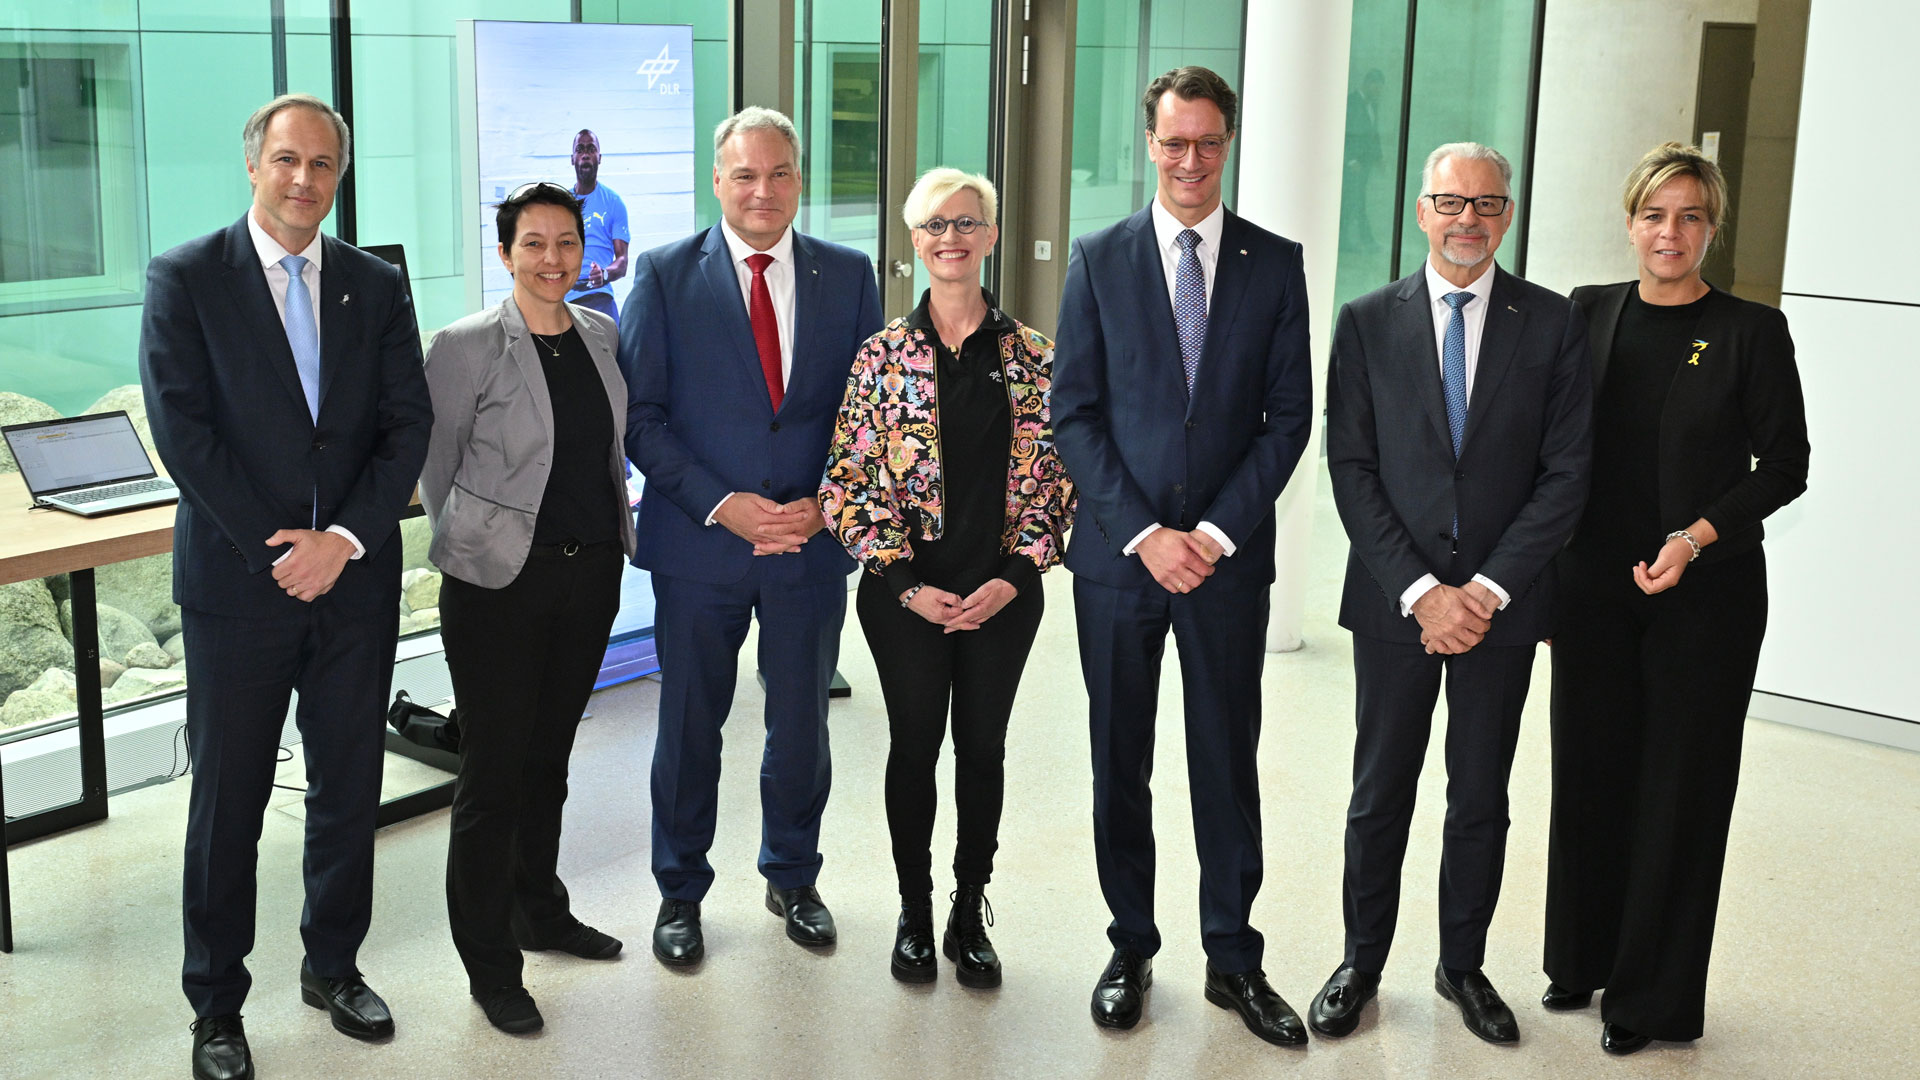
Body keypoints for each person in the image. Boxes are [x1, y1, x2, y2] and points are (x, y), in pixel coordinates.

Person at [139, 93, 432, 1080]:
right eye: (287, 160)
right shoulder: (187, 278)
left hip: (353, 579)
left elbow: (408, 426)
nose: (305, 180)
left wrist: (343, 538)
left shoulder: (374, 283)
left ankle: (333, 966)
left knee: (348, 787)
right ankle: (216, 1004)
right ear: (254, 164)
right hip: (238, 586)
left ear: (340, 177)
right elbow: (186, 434)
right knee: (232, 798)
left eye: (324, 166)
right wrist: (281, 550)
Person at [1052, 66, 1315, 1046]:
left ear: (1227, 144)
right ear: (1149, 144)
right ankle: (1130, 944)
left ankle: (1232, 958)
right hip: (1121, 564)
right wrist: (1144, 533)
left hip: (1225, 563)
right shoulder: (1099, 258)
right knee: (1119, 757)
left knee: (1223, 759)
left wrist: (1208, 535)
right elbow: (1072, 415)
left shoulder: (1273, 264)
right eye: (1174, 143)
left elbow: (1288, 420)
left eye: (1207, 143)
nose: (1191, 161)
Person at [1316, 141, 1592, 1046]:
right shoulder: (1364, 320)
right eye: (1450, 202)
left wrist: (1485, 591)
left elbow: (1566, 474)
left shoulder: (1551, 324)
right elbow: (1351, 467)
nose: (1467, 219)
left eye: (1486, 203)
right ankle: (1361, 961)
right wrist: (1425, 592)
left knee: (1480, 795)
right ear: (1421, 211)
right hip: (1397, 605)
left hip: (1503, 612)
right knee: (1379, 790)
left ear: (1507, 214)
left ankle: (1462, 964)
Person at [1541, 141, 1809, 1056]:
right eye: (1655, 214)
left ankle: (1649, 1002)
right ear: (1630, 224)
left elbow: (1786, 466)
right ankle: (1579, 960)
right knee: (1589, 774)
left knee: (1679, 791)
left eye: (1690, 216)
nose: (1671, 232)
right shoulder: (1583, 314)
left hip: (1707, 596)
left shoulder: (1750, 332)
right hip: (1593, 590)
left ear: (1711, 228)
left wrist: (1694, 538)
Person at [618, 106, 881, 968]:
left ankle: (793, 876)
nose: (762, 190)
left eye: (777, 173)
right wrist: (722, 503)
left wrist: (824, 503)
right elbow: (642, 422)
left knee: (801, 724)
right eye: (744, 175)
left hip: (809, 543)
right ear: (718, 182)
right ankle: (680, 891)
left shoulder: (849, 275)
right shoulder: (661, 275)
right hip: (702, 547)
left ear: (798, 179)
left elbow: (868, 418)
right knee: (692, 723)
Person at [819, 168, 1075, 989]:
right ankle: (915, 910)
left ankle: (970, 910)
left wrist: (1010, 576)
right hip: (905, 598)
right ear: (914, 242)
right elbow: (846, 483)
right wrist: (903, 583)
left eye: (967, 223)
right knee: (914, 745)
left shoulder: (1034, 358)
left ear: (991, 238)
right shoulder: (880, 357)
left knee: (983, 749)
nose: (951, 237)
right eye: (934, 225)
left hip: (1003, 594)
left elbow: (1058, 484)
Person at [419, 182, 635, 1034]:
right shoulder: (467, 346)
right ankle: (490, 963)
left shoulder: (600, 333)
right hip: (497, 586)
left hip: (589, 579)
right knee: (493, 773)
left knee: (548, 758)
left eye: (566, 243)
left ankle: (538, 911)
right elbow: (437, 468)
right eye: (534, 244)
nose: (553, 259)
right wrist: (482, 541)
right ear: (505, 253)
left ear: (585, 250)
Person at [565, 129, 629, 321]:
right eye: (580, 149)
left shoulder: (613, 202)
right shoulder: (562, 204)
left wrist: (604, 274)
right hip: (565, 297)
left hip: (600, 296)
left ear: (599, 157)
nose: (585, 154)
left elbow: (622, 262)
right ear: (572, 158)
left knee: (613, 348)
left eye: (591, 149)